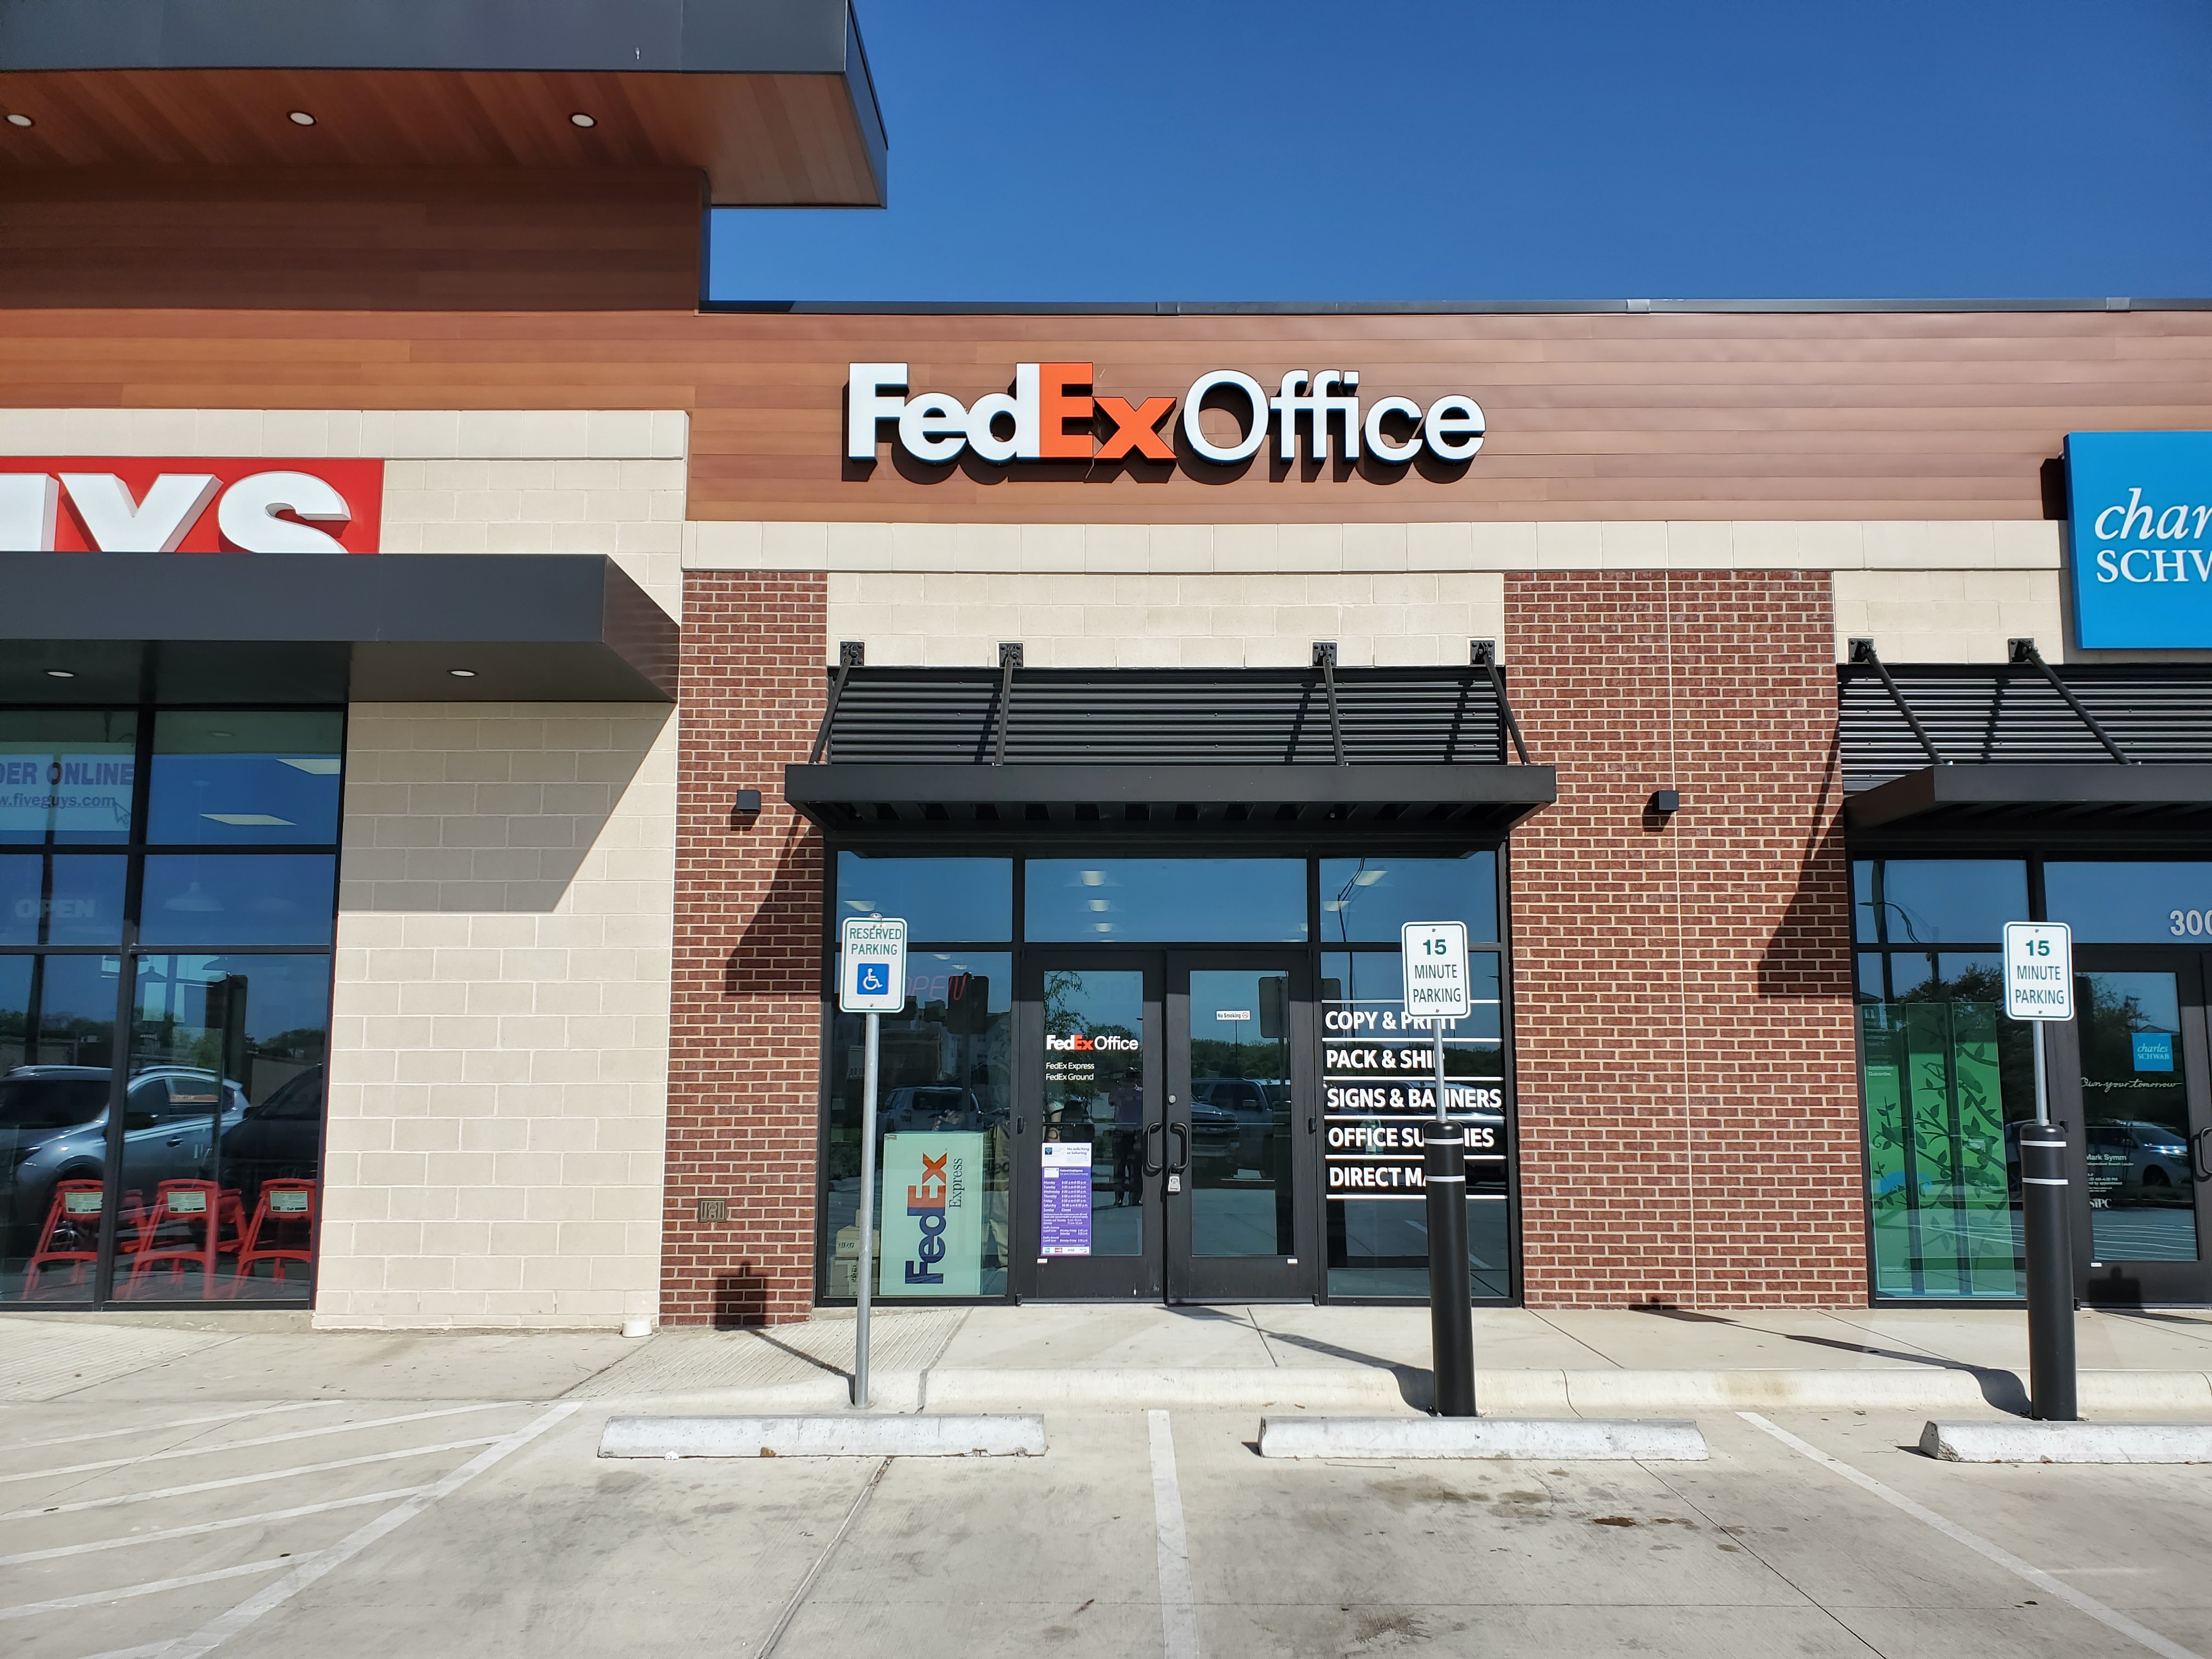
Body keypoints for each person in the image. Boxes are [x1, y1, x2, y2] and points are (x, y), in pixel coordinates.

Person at [1110, 1077, 1144, 1206]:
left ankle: (1135, 1197)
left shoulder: (1142, 1092)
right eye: (1127, 1078)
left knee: (1135, 1167)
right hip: (1121, 1131)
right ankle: (1119, 1197)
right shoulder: (1119, 1092)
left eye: (1132, 1077)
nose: (1130, 1082)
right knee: (1119, 1167)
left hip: (1136, 1132)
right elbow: (1111, 1101)